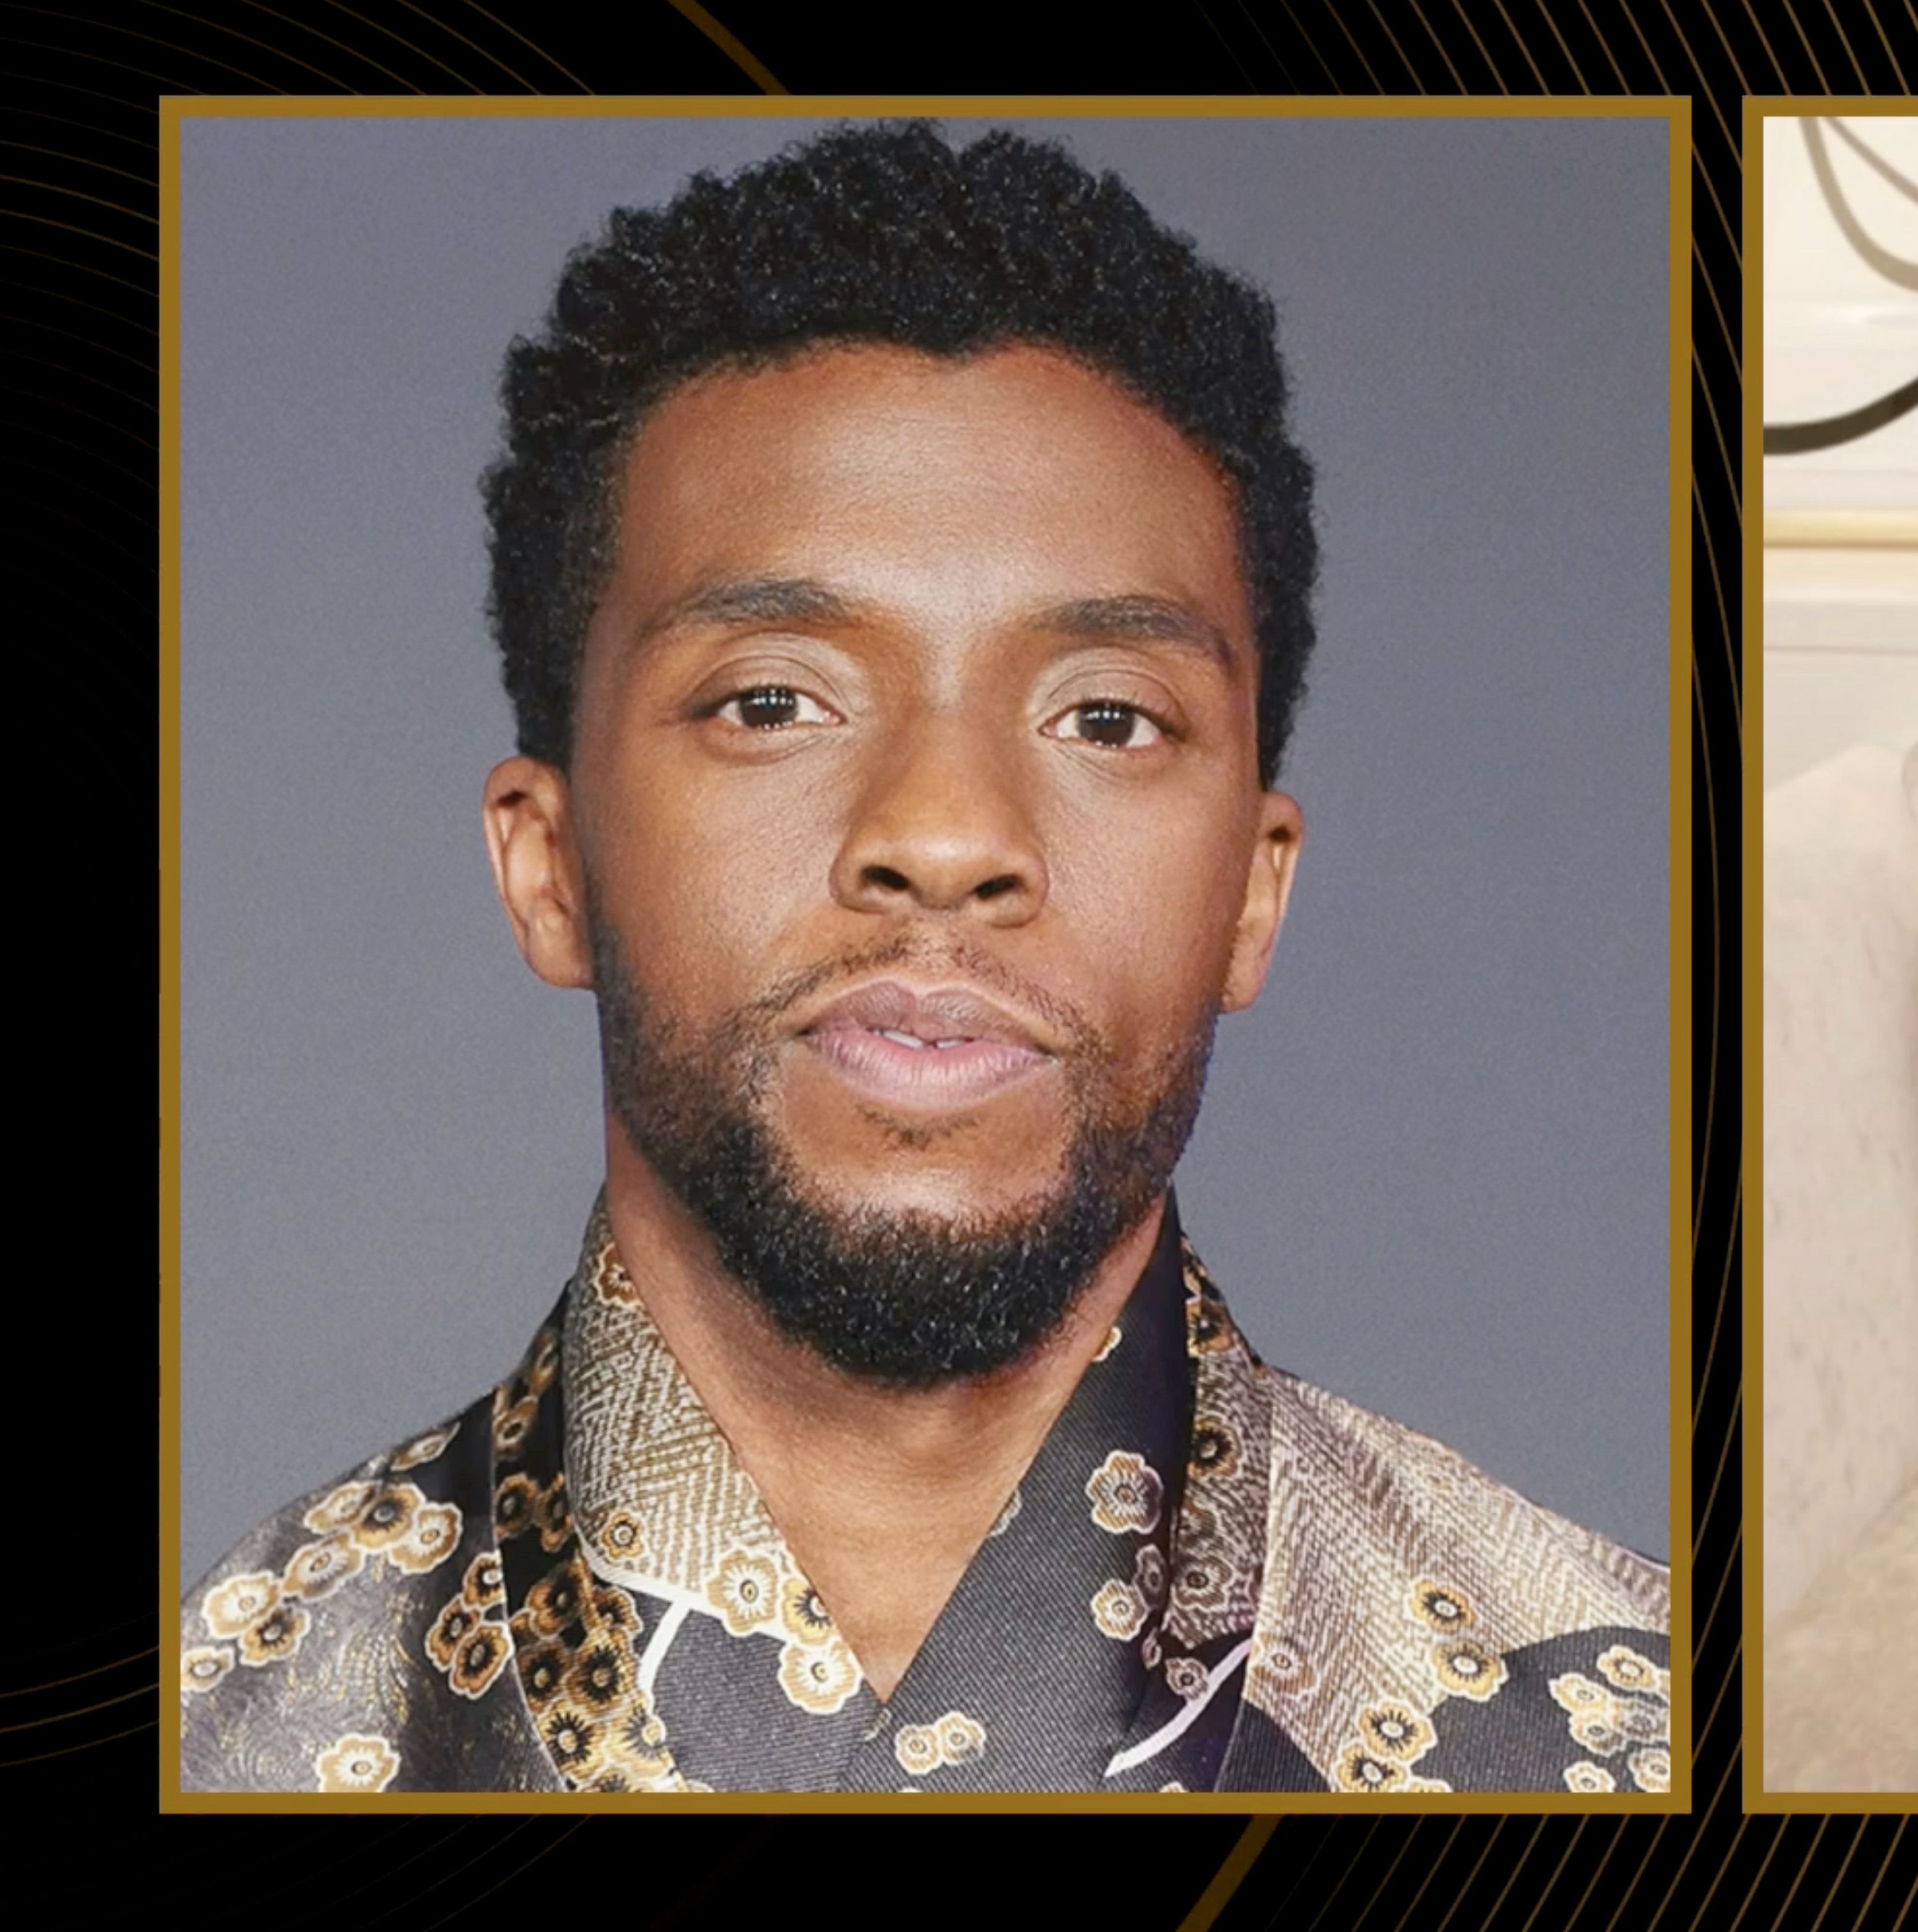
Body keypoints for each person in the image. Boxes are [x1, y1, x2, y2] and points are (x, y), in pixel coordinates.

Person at [179, 122, 1671, 1796]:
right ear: (551, 865)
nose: (949, 831)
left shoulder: (1622, 1731)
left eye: (1105, 715)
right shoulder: (219, 1727)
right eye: (773, 700)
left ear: (1253, 895)